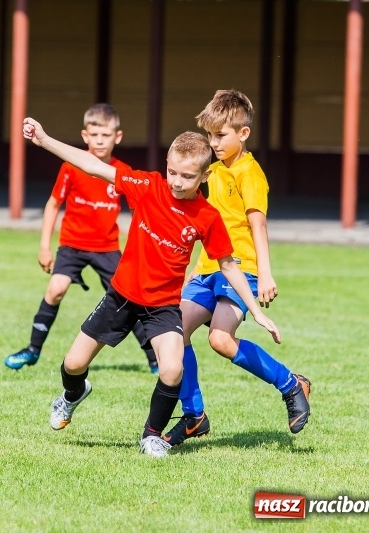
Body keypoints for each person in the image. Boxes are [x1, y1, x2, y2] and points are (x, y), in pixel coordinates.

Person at [22, 117, 282, 458]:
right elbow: (91, 165)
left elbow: (228, 266)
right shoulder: (147, 186)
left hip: (162, 307)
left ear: (204, 176)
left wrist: (257, 313)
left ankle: (152, 434)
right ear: (166, 166)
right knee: (72, 365)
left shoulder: (206, 217)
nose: (176, 181)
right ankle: (72, 395)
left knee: (172, 368)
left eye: (187, 176)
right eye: (172, 172)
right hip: (122, 296)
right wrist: (44, 139)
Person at [163, 90, 311, 447]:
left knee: (220, 339)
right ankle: (194, 416)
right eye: (211, 135)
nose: (214, 142)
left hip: (240, 269)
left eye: (221, 135)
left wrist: (266, 274)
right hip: (206, 269)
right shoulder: (210, 171)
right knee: (173, 334)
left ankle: (291, 384)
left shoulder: (250, 174)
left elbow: (257, 225)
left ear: (243, 134)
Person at [4, 103, 158, 373]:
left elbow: (139, 214)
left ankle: (155, 360)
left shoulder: (122, 172)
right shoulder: (71, 167)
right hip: (72, 245)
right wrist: (44, 247)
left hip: (107, 248)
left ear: (117, 137)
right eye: (94, 135)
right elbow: (53, 204)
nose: (100, 141)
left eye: (106, 135)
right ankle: (32, 350)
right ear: (85, 136)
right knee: (56, 289)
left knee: (128, 299)